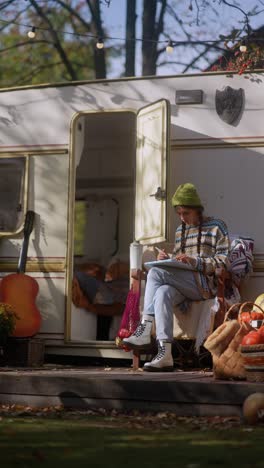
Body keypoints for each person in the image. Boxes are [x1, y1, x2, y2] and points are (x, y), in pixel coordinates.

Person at [123, 182, 230, 372]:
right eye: (179, 213)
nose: (182, 217)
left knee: (155, 273)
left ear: (197, 209)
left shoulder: (217, 227)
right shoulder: (181, 230)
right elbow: (180, 262)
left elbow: (223, 262)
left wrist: (195, 261)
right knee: (163, 291)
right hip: (184, 285)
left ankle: (145, 328)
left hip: (205, 285)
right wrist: (168, 259)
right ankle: (165, 354)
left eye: (186, 213)